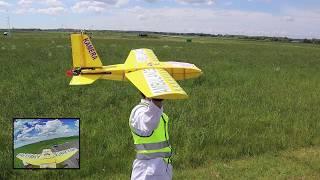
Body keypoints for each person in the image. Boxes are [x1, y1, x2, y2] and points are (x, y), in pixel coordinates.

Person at [129, 93, 173, 180]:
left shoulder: (154, 110)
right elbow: (149, 123)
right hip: (148, 171)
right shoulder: (139, 111)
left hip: (160, 167)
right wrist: (157, 100)